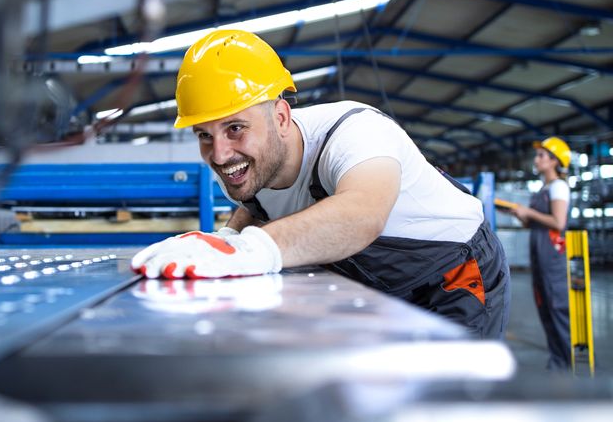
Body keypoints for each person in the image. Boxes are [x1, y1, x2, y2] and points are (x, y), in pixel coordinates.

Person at [131, 29, 510, 339]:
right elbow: (254, 207)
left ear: (281, 117)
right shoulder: (258, 165)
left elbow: (362, 213)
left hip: (455, 277)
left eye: (235, 128)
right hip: (378, 288)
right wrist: (221, 242)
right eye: (204, 135)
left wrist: (248, 252)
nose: (219, 154)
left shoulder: (355, 131)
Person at [510, 137, 572, 369]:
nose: (536, 159)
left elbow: (558, 221)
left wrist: (529, 212)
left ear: (554, 161)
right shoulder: (543, 189)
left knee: (557, 311)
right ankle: (556, 362)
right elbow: (536, 224)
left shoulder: (558, 187)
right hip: (539, 257)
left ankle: (564, 364)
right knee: (545, 311)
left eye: (541, 155)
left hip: (553, 260)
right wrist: (523, 217)